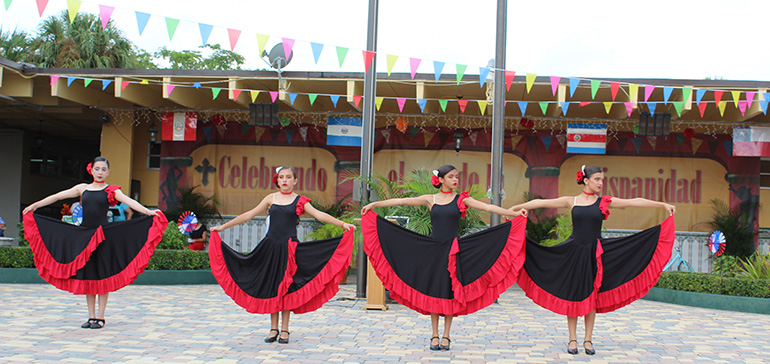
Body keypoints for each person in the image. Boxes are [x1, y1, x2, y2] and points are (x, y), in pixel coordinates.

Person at [509, 165, 676, 355]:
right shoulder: (571, 201)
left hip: (595, 253)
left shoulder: (603, 201)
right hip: (573, 252)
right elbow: (540, 202)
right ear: (585, 180)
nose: (601, 183)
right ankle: (572, 339)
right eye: (597, 179)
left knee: (592, 296)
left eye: (602, 180)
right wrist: (516, 208)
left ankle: (588, 340)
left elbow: (633, 201)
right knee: (572, 294)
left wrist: (662, 205)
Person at [360, 165, 528, 351]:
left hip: (454, 251)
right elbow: (403, 201)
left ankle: (447, 335)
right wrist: (374, 205)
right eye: (451, 176)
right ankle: (434, 334)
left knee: (449, 292)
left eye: (456, 176)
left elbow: (487, 206)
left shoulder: (461, 199)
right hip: (434, 251)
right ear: (440, 180)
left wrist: (513, 214)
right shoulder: (430, 199)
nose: (455, 180)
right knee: (434, 291)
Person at [209, 166, 355, 344]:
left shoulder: (300, 200)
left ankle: (285, 329)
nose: (284, 180)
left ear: (295, 181)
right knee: (272, 285)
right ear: (277, 181)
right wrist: (223, 227)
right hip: (269, 248)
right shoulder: (271, 198)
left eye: (288, 177)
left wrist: (342, 224)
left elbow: (319, 215)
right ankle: (273, 328)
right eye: (281, 177)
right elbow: (249, 214)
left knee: (286, 288)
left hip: (289, 250)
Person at [22, 156, 167, 329]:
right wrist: (35, 206)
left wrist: (147, 212)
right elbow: (57, 196)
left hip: (103, 236)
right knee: (88, 276)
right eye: (97, 169)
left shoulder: (111, 191)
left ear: (108, 171)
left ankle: (101, 316)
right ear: (91, 170)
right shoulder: (82, 189)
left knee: (102, 275)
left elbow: (130, 201)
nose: (100, 172)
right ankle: (91, 317)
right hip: (84, 236)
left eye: (103, 169)